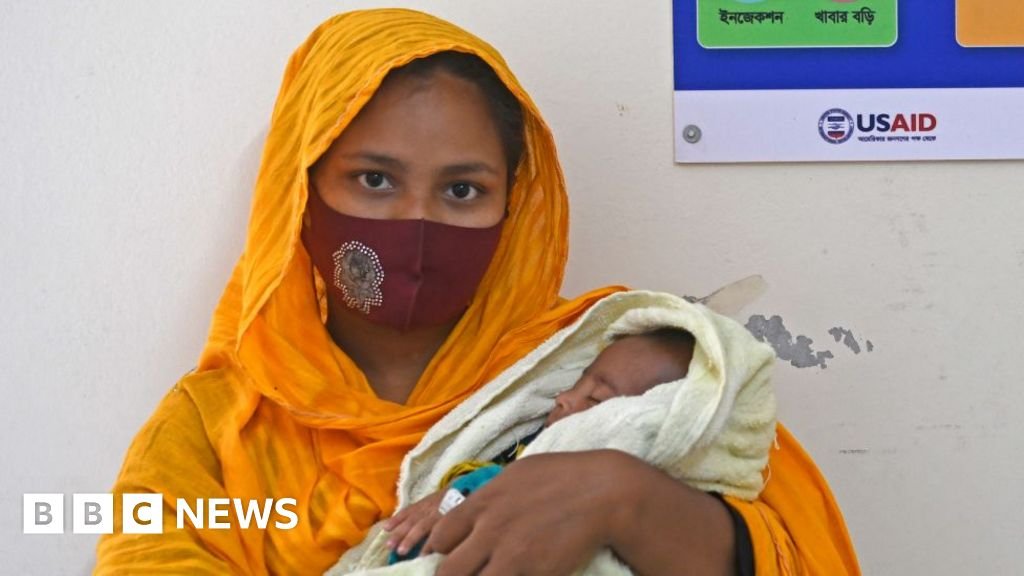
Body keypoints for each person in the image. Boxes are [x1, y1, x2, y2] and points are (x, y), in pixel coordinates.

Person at [95, 8, 860, 576]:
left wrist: (621, 497)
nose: (417, 222)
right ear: (300, 193)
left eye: (462, 189)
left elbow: (793, 549)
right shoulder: (216, 432)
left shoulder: (615, 362)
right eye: (374, 179)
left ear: (513, 205)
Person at [384, 327, 698, 563]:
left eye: (595, 399)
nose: (564, 398)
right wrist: (456, 490)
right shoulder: (530, 441)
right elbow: (486, 474)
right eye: (577, 384)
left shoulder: (626, 501)